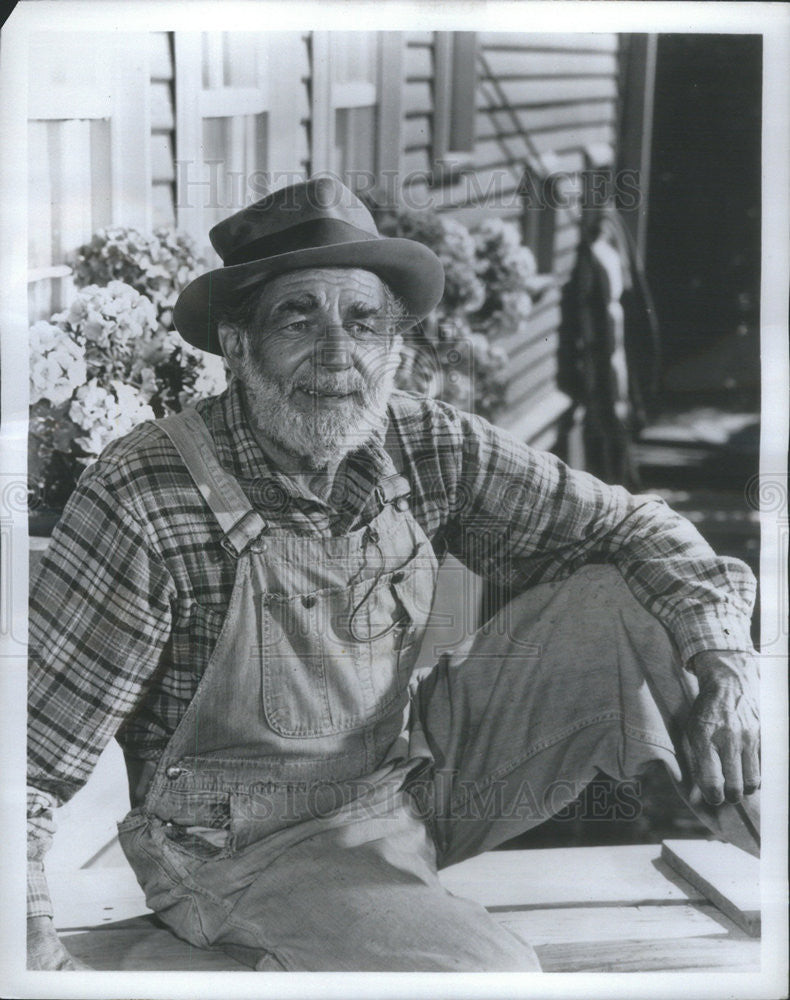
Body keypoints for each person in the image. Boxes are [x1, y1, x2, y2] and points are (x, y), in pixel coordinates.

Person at [27, 177, 760, 972]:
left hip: (402, 783)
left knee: (641, 608)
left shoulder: (421, 441)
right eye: (296, 317)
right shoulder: (144, 493)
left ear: (395, 346)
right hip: (242, 850)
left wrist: (724, 667)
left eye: (364, 321)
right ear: (237, 345)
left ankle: (771, 862)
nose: (337, 353)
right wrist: (36, 967)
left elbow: (634, 525)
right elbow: (23, 766)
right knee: (494, 978)